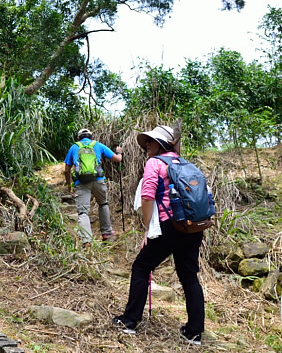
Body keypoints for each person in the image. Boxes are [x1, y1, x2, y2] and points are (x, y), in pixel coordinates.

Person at [112, 124, 205, 346]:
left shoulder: (155, 163)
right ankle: (194, 333)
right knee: (189, 276)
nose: (146, 146)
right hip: (193, 227)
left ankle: (129, 321)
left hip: (169, 226)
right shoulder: (185, 163)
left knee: (141, 267)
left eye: (150, 142)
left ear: (160, 144)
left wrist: (148, 228)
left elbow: (147, 196)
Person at [64, 128, 123, 245]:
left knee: (83, 212)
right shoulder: (98, 145)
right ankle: (106, 233)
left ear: (78, 138)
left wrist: (69, 186)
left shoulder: (74, 147)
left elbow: (66, 170)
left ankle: (87, 241)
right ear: (91, 137)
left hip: (81, 182)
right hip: (98, 180)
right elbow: (117, 159)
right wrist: (119, 152)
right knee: (103, 203)